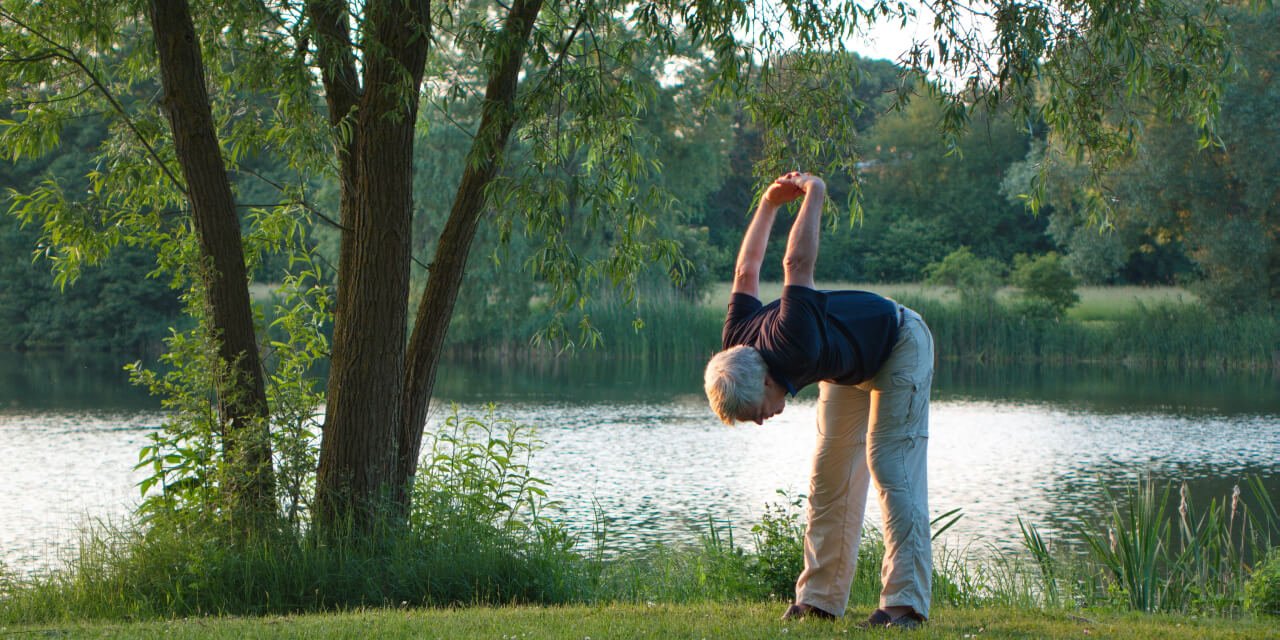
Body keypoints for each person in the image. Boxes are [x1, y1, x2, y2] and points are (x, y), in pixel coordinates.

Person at [703, 171, 935, 629]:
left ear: (766, 382)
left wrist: (815, 194)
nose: (763, 422)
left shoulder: (793, 343)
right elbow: (745, 272)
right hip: (847, 364)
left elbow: (796, 264)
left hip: (899, 342)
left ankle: (905, 605)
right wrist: (768, 204)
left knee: (889, 464)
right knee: (828, 477)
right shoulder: (736, 343)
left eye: (756, 415)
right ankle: (819, 600)